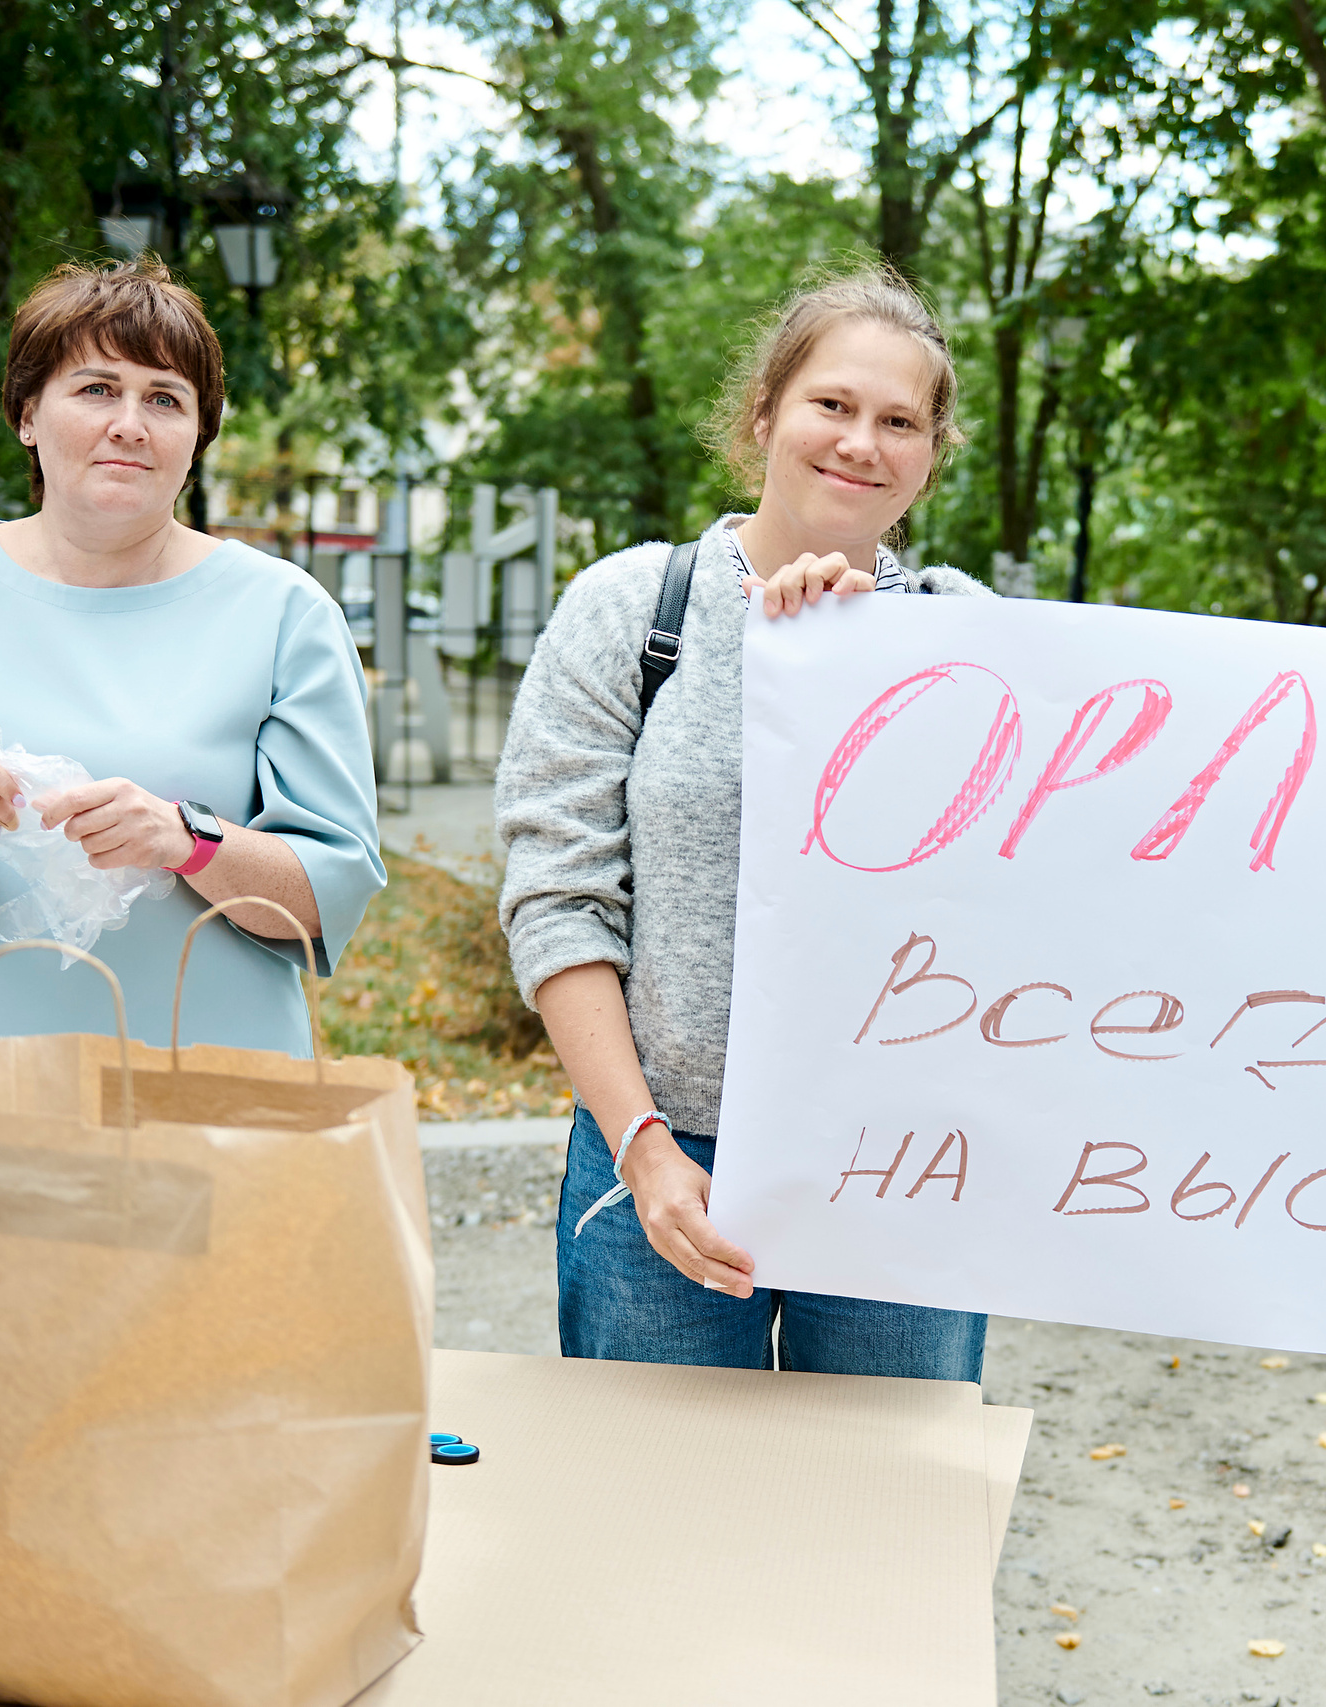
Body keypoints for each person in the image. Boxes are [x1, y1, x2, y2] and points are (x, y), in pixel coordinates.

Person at [497, 266, 995, 1379]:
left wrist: (867, 672)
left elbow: (1012, 891)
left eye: (899, 421)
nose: (861, 442)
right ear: (764, 413)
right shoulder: (632, 611)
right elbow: (558, 899)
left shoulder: (969, 640)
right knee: (663, 1524)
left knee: (879, 1522)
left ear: (929, 453)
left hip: (895, 1170)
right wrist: (641, 1148)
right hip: (659, 1165)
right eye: (832, 404)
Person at [0, 258, 382, 1053]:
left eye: (165, 398)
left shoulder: (287, 613)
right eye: (96, 389)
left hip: (208, 1094)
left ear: (197, 436)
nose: (130, 422)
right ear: (26, 414)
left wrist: (183, 837)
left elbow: (326, 900)